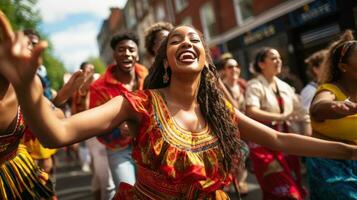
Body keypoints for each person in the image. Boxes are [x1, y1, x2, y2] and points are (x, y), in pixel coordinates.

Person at [1, 13, 357, 199]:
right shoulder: (137, 104)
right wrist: (23, 81)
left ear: (205, 58)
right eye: (175, 41)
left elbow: (279, 141)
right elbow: (56, 132)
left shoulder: (219, 112)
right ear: (166, 60)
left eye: (194, 39)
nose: (186, 42)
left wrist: (347, 152)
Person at [245, 47, 311, 199]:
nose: (278, 61)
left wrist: (308, 133)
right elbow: (251, 111)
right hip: (264, 145)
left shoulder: (285, 86)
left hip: (287, 143)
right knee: (284, 190)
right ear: (261, 64)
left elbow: (301, 111)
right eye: (273, 58)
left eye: (279, 58)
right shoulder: (254, 85)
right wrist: (282, 117)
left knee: (292, 184)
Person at [89, 32, 148, 186]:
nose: (127, 54)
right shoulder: (98, 87)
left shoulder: (149, 78)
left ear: (138, 55)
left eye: (131, 50)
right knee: (127, 193)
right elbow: (96, 128)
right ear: (114, 55)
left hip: (149, 146)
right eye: (121, 50)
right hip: (119, 150)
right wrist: (117, 129)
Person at [307, 30, 357, 200]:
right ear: (344, 67)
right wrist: (335, 106)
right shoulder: (329, 90)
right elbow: (318, 107)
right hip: (331, 168)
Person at [71, 61, 116, 200]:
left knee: (98, 174)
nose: (90, 72)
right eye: (87, 70)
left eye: (92, 69)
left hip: (106, 131)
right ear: (82, 72)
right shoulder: (78, 88)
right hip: (92, 134)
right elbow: (80, 107)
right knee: (108, 181)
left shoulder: (100, 81)